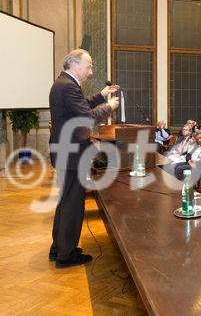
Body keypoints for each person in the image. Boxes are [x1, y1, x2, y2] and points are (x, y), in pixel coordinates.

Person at [49, 49, 120, 268]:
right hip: (71, 153)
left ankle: (59, 247)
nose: (91, 71)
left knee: (66, 201)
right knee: (72, 204)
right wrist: (109, 107)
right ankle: (66, 255)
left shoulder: (64, 83)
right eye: (89, 66)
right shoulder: (68, 86)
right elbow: (87, 117)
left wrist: (101, 94)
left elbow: (82, 106)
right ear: (75, 65)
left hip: (65, 151)